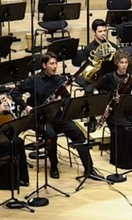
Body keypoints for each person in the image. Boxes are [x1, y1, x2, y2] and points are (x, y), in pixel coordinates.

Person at [10, 52, 100, 180]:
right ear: (44, 65)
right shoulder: (33, 80)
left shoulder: (59, 80)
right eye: (51, 64)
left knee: (78, 134)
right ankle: (53, 166)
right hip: (40, 118)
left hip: (57, 117)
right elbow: (14, 93)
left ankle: (89, 169)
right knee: (51, 135)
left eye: (56, 63)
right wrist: (26, 106)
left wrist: (60, 102)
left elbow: (67, 99)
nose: (55, 66)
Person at [76, 19, 118, 94]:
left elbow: (119, 65)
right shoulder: (89, 48)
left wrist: (116, 55)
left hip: (109, 78)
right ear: (94, 32)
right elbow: (83, 67)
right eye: (100, 31)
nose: (103, 33)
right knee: (90, 91)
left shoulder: (113, 46)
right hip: (94, 79)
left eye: (105, 31)